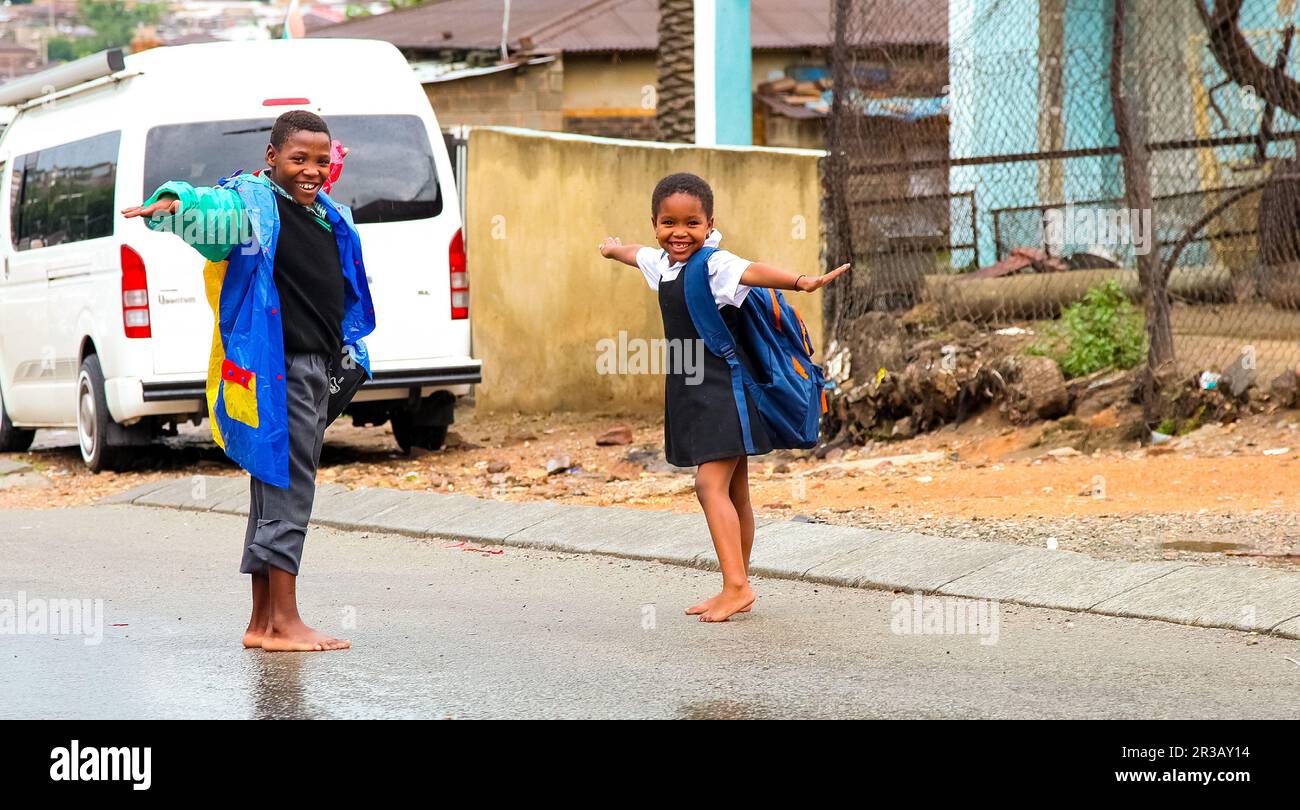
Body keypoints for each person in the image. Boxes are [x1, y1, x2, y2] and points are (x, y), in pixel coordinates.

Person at [121, 110, 375, 652]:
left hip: (307, 368)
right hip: (281, 368)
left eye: (320, 162)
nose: (310, 171)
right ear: (271, 158)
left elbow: (311, 195)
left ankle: (263, 622)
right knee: (289, 486)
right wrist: (177, 206)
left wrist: (319, 180)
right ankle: (286, 621)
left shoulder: (320, 210)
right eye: (297, 159)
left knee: (269, 485)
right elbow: (213, 211)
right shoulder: (253, 209)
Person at [599, 172, 849, 622]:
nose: (680, 233)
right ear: (655, 223)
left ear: (710, 223)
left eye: (692, 223)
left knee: (707, 485)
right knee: (735, 493)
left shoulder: (714, 265)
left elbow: (752, 270)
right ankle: (736, 583)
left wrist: (801, 281)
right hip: (693, 391)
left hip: (724, 392)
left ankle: (737, 586)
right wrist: (613, 249)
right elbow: (637, 256)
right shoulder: (663, 264)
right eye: (668, 223)